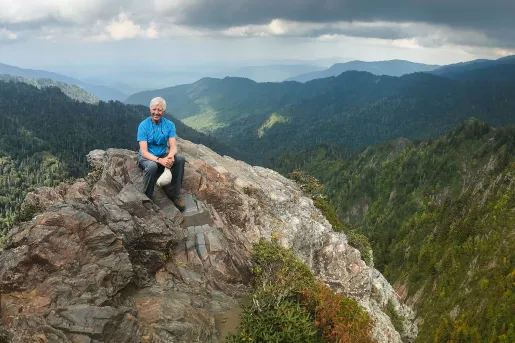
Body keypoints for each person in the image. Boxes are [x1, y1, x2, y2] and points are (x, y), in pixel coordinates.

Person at [137, 96, 185, 211]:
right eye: (154, 109)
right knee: (152, 166)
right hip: (147, 158)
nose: (156, 112)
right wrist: (160, 161)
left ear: (163, 111)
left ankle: (174, 194)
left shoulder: (169, 125)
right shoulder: (143, 126)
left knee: (180, 158)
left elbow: (173, 147)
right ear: (150, 110)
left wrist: (170, 156)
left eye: (159, 110)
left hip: (162, 155)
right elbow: (144, 152)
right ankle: (147, 197)